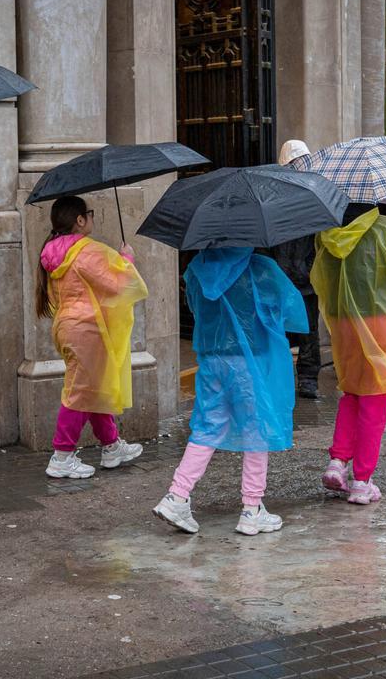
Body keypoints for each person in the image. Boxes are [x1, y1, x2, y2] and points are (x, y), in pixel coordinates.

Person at [153, 247, 308, 535]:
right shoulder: (259, 267)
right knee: (256, 430)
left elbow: (196, 308)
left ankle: (177, 495)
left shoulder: (198, 268)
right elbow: (286, 308)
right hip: (251, 360)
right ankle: (252, 508)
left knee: (207, 427)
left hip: (213, 359)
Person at [311, 202, 386, 504]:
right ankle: (362, 480)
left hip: (343, 321)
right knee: (376, 398)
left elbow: (321, 278)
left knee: (352, 391)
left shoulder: (329, 233)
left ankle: (338, 461)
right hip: (383, 320)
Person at [36, 196, 148, 479]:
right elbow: (120, 283)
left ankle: (111, 446)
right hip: (88, 328)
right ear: (80, 220)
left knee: (93, 387)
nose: (92, 218)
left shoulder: (52, 251)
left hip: (67, 325)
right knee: (80, 390)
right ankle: (62, 454)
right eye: (90, 213)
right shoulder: (87, 250)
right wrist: (127, 259)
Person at [273, 139, 322, 398]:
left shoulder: (315, 193)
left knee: (307, 329)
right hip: (284, 275)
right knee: (284, 330)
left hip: (303, 275)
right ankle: (295, 377)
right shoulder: (274, 196)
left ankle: (307, 377)